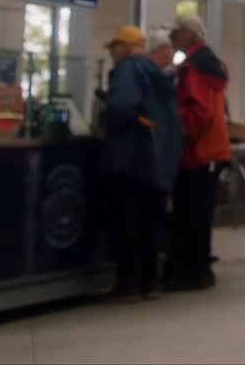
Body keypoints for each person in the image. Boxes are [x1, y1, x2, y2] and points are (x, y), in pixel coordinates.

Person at [97, 26, 181, 301]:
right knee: (149, 224)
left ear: (128, 48)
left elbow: (122, 106)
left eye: (116, 46)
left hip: (128, 157)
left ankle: (128, 283)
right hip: (156, 160)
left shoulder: (129, 70)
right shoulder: (160, 76)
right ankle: (150, 282)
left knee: (126, 222)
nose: (113, 52)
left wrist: (105, 119)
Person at [168, 14, 231, 290]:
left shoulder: (193, 69)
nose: (173, 39)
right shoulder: (212, 66)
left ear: (188, 34)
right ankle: (201, 269)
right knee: (202, 216)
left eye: (176, 33)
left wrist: (176, 128)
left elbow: (197, 111)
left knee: (189, 215)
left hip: (197, 152)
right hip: (214, 151)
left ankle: (192, 272)